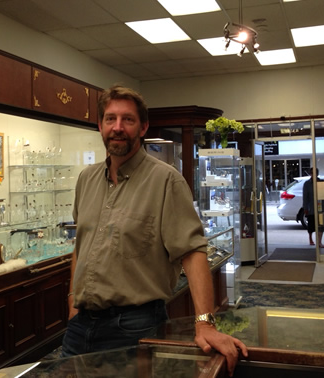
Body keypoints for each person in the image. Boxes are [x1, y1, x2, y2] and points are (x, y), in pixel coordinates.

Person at [61, 85, 248, 375]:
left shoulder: (165, 181)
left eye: (128, 120)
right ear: (100, 125)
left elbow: (192, 251)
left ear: (143, 127)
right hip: (80, 327)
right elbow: (81, 246)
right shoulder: (86, 179)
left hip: (134, 326)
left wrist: (205, 323)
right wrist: (73, 300)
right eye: (110, 119)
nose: (118, 127)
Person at [302, 168, 324, 247]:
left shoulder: (321, 182)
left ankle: (319, 242)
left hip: (321, 207)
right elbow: (305, 197)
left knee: (321, 225)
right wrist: (305, 208)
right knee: (311, 225)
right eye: (312, 173)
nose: (313, 175)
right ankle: (310, 238)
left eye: (315, 173)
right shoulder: (307, 184)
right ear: (310, 174)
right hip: (311, 208)